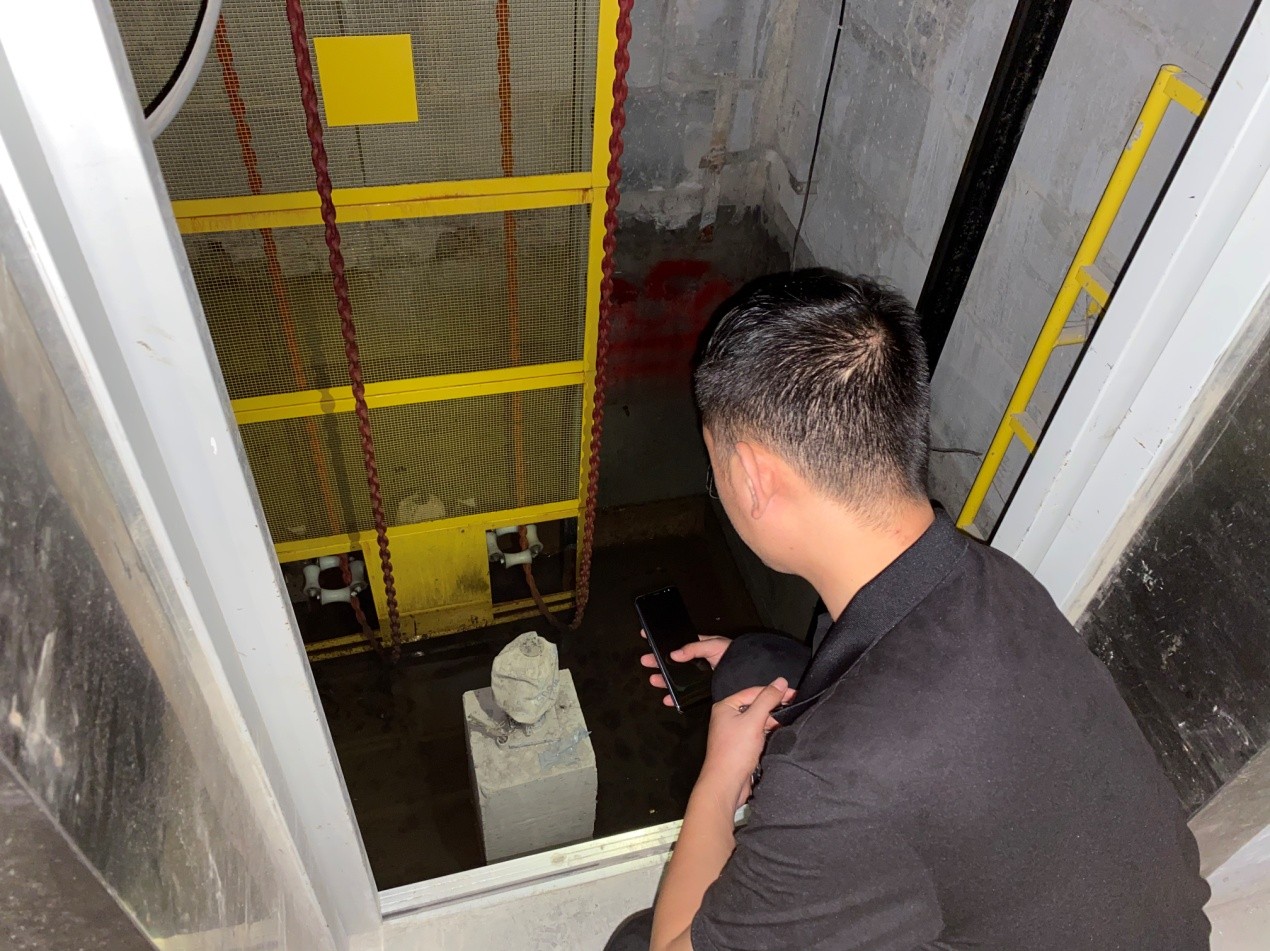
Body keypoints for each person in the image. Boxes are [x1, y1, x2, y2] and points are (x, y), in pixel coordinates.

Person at [607, 269, 1210, 951]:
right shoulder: (992, 577)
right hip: (1148, 924)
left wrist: (719, 779)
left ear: (751, 477)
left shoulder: (835, 780)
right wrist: (751, 666)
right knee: (758, 665)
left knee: (639, 938)